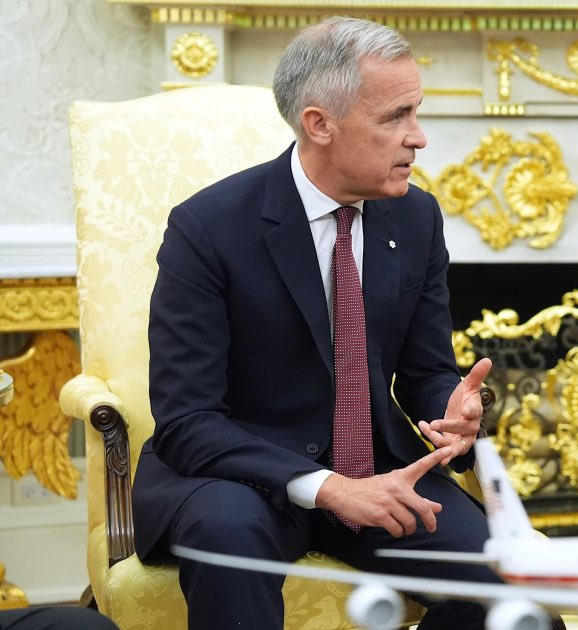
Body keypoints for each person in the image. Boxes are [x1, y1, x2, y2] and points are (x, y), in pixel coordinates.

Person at [133, 16, 502, 629]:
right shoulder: (208, 229)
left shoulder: (417, 219)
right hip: (242, 475)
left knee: (507, 590)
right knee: (228, 540)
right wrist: (326, 486)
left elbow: (426, 372)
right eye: (396, 117)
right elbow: (186, 421)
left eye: (417, 112)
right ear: (319, 124)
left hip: (378, 467)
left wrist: (451, 413)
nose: (419, 138)